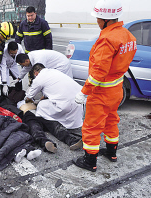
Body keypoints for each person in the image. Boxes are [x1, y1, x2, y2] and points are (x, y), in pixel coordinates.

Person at [73, 0, 137, 172]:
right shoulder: (127, 35)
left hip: (101, 92)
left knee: (92, 126)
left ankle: (89, 162)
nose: (97, 22)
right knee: (111, 120)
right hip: (116, 90)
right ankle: (111, 153)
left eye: (98, 19)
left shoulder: (107, 39)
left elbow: (98, 72)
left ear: (106, 20)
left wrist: (84, 92)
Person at [24, 63, 84, 150]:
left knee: (42, 111)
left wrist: (29, 102)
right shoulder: (54, 72)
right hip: (78, 102)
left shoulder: (39, 78)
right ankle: (70, 140)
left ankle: (47, 140)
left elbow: (28, 97)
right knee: (43, 118)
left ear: (35, 73)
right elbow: (53, 90)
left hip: (64, 105)